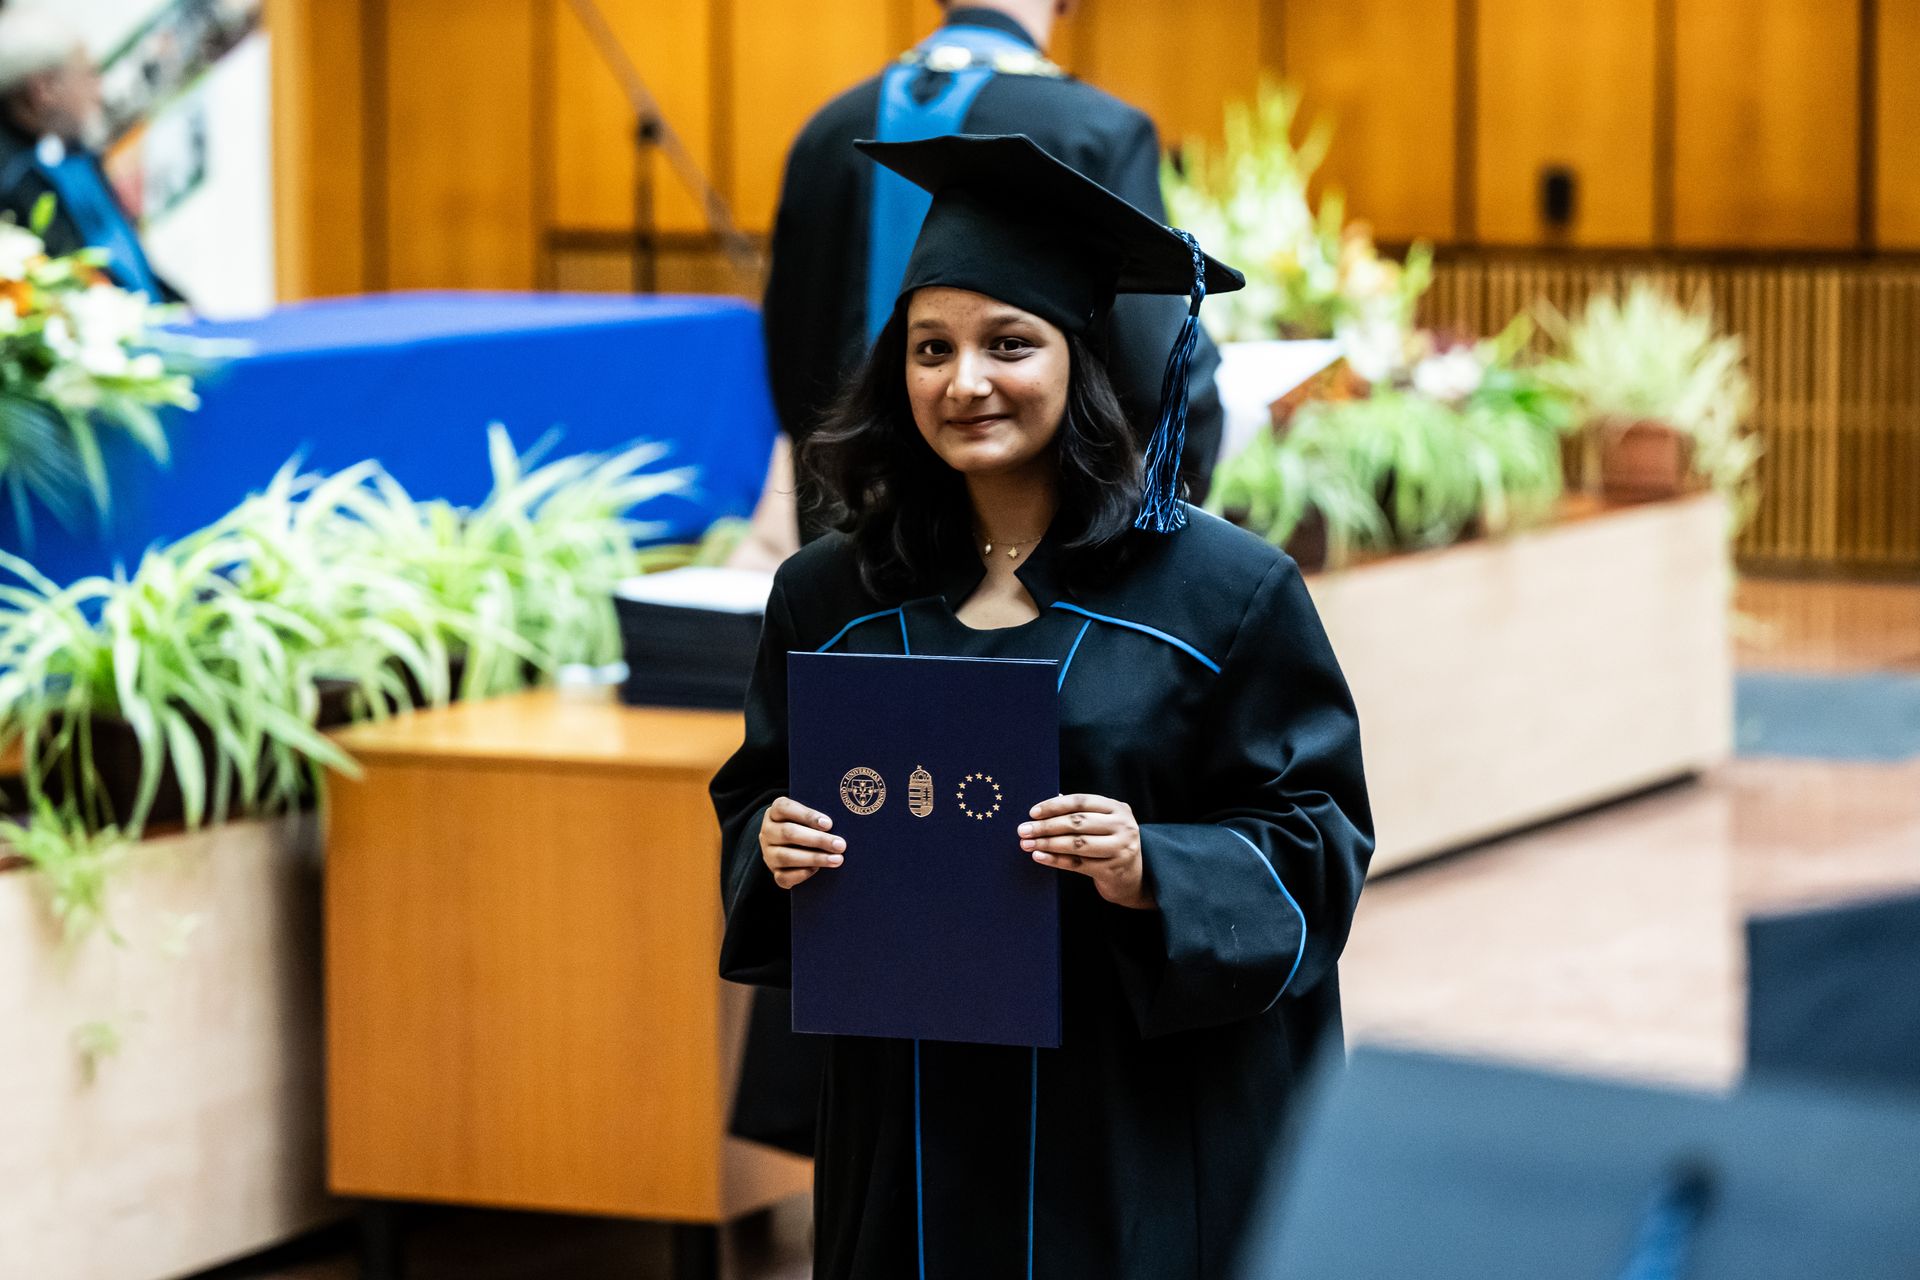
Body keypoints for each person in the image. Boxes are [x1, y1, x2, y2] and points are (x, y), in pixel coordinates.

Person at [710, 134, 1373, 1279]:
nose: (964, 380)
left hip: (1125, 1123)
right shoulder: (832, 594)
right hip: (912, 1121)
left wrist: (1152, 863)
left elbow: (1318, 837)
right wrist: (774, 841)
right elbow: (758, 789)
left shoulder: (1223, 593)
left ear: (1084, 358)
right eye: (931, 347)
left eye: (1008, 343)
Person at [733, 0, 1229, 563]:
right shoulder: (1094, 131)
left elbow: (790, 358)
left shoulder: (827, 131)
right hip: (1047, 550)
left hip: (849, 537)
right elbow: (1156, 371)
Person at [0, 6, 182, 303]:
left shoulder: (78, 153)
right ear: (44, 89)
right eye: (88, 76)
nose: (98, 91)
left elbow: (133, 266)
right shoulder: (13, 181)